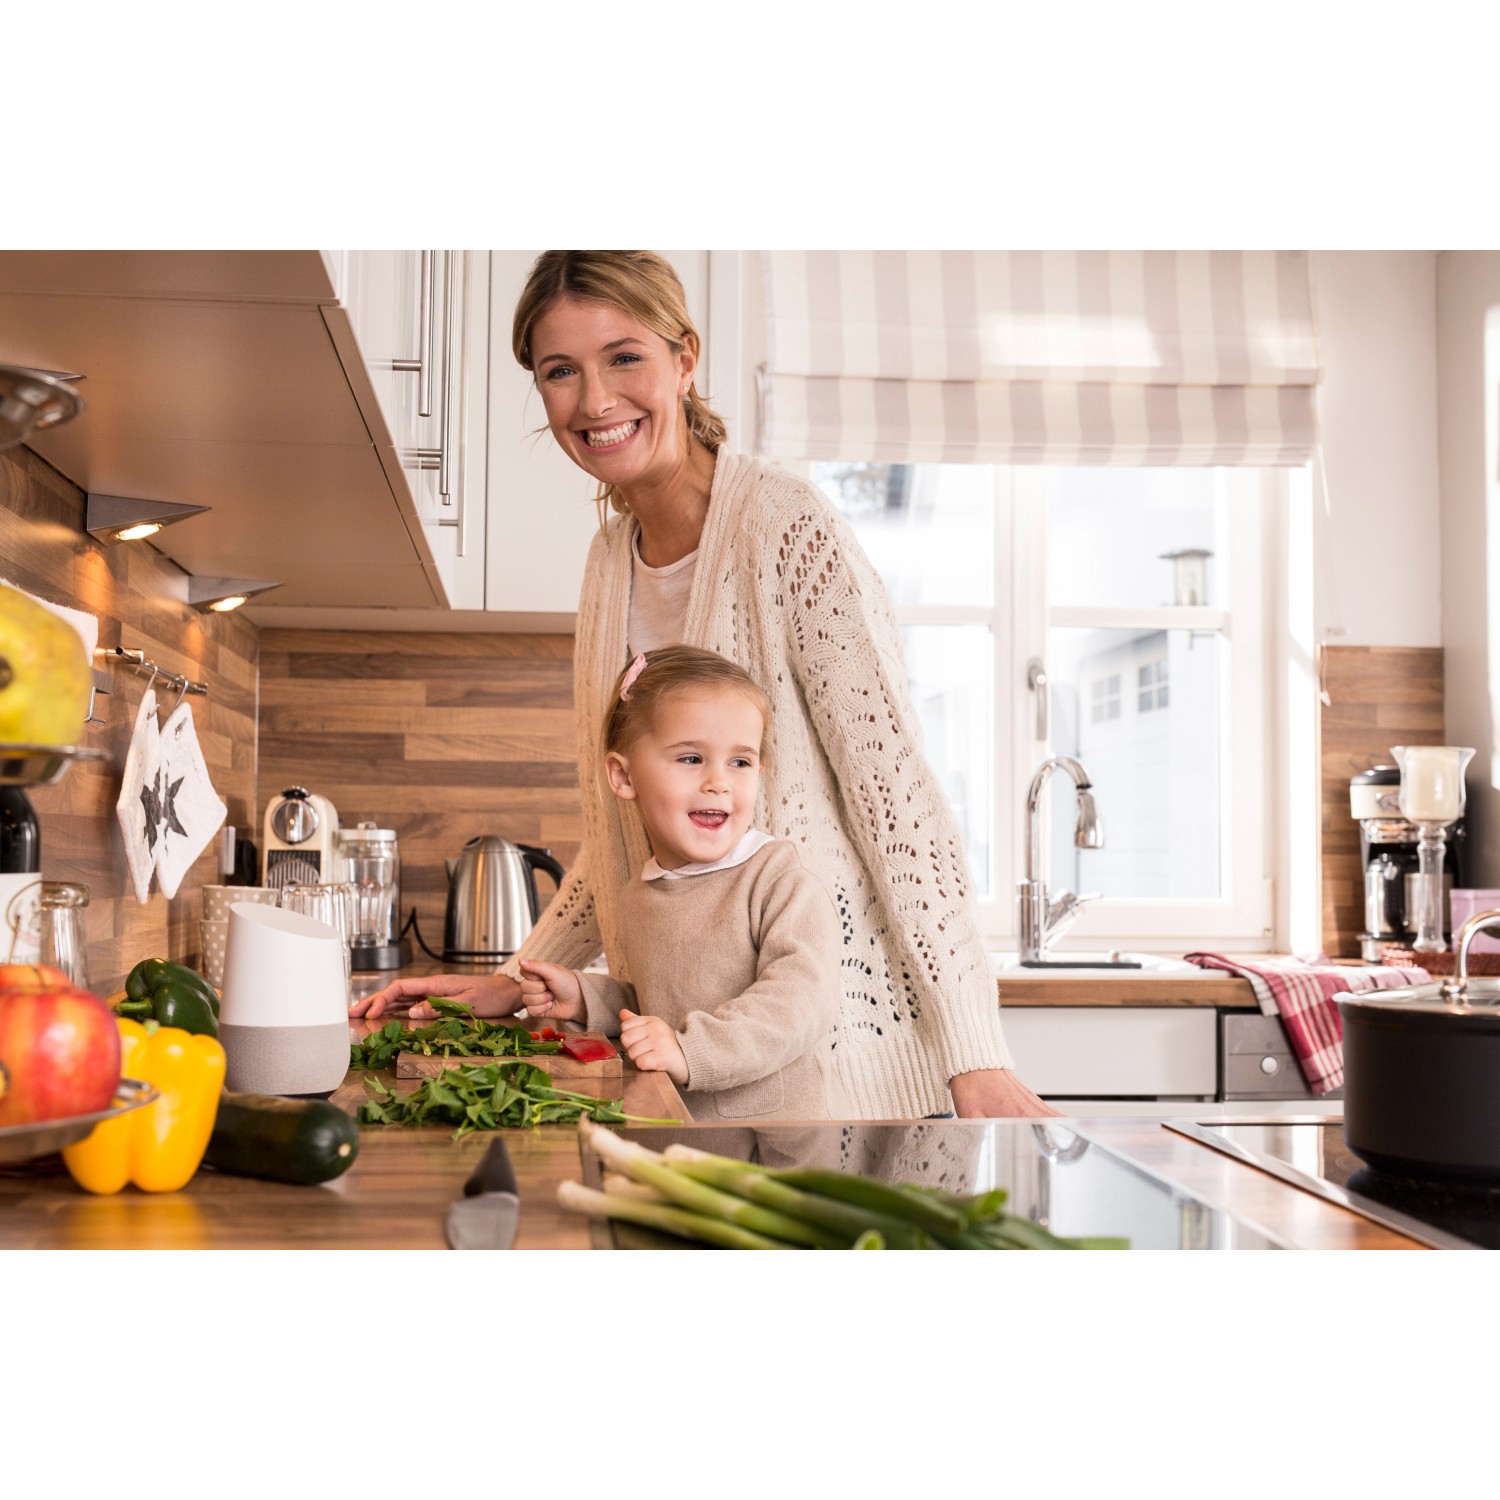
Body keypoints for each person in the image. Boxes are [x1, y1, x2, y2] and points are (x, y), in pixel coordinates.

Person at [352, 249, 1057, 1121]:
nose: (596, 401)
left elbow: (896, 797)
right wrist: (514, 979)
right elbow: (618, 841)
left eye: (624, 358)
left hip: (837, 1069)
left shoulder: (787, 530)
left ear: (684, 360)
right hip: (700, 1075)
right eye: (560, 371)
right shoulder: (610, 564)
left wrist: (972, 1050)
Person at [518, 644, 850, 1123]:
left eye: (740, 762)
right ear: (623, 775)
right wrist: (587, 997)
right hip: (681, 1128)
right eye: (692, 758)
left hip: (773, 1148)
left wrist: (689, 1048)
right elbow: (658, 1004)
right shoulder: (641, 892)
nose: (719, 781)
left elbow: (796, 1006)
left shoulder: (779, 878)